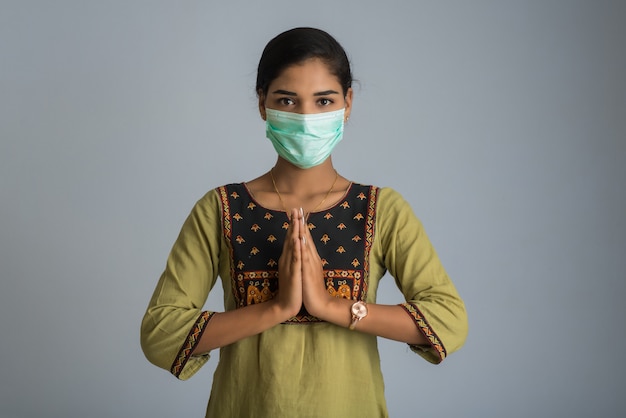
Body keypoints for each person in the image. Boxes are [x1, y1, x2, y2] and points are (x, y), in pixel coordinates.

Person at [141, 27, 468, 418]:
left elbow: (447, 321)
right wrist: (274, 310)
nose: (306, 117)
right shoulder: (220, 209)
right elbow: (160, 333)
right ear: (262, 104)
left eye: (324, 100)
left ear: (348, 103)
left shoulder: (382, 210)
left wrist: (331, 307)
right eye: (287, 100)